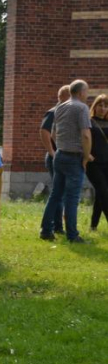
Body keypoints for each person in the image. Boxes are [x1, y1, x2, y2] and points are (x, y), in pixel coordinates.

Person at [40, 80, 93, 243]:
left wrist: (61, 147)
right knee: (72, 197)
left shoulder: (60, 107)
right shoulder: (82, 108)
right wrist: (86, 156)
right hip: (74, 157)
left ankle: (46, 230)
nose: (87, 94)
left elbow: (53, 132)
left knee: (55, 195)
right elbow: (85, 135)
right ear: (81, 92)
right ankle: (72, 234)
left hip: (60, 155)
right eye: (86, 91)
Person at [39, 85, 70, 234]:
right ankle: (53, 227)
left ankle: (58, 226)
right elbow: (44, 131)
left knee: (60, 193)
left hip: (62, 157)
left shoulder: (64, 112)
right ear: (64, 97)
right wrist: (52, 152)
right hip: (56, 157)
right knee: (58, 193)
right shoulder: (54, 112)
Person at [87, 94, 108, 230]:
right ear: (95, 106)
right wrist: (86, 154)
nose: (103, 108)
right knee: (104, 192)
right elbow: (82, 138)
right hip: (93, 163)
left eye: (106, 106)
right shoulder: (89, 122)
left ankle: (93, 225)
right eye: (100, 105)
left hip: (107, 162)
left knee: (101, 193)